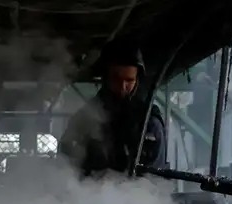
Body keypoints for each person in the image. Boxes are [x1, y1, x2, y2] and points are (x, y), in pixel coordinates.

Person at [60, 43, 168, 176]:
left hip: (137, 188)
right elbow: (65, 159)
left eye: (129, 80)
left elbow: (155, 176)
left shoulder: (149, 122)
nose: (123, 87)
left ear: (137, 80)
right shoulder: (85, 117)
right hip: (89, 187)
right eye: (116, 79)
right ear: (105, 77)